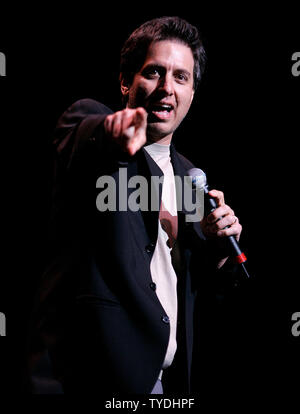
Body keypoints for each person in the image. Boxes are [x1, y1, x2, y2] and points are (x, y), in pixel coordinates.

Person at [27, 16, 244, 394]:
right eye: (154, 73)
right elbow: (85, 136)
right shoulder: (94, 131)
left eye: (181, 77)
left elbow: (190, 297)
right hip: (86, 379)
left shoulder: (190, 179)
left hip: (161, 385)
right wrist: (115, 132)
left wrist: (217, 251)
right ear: (126, 81)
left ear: (192, 93)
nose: (166, 88)